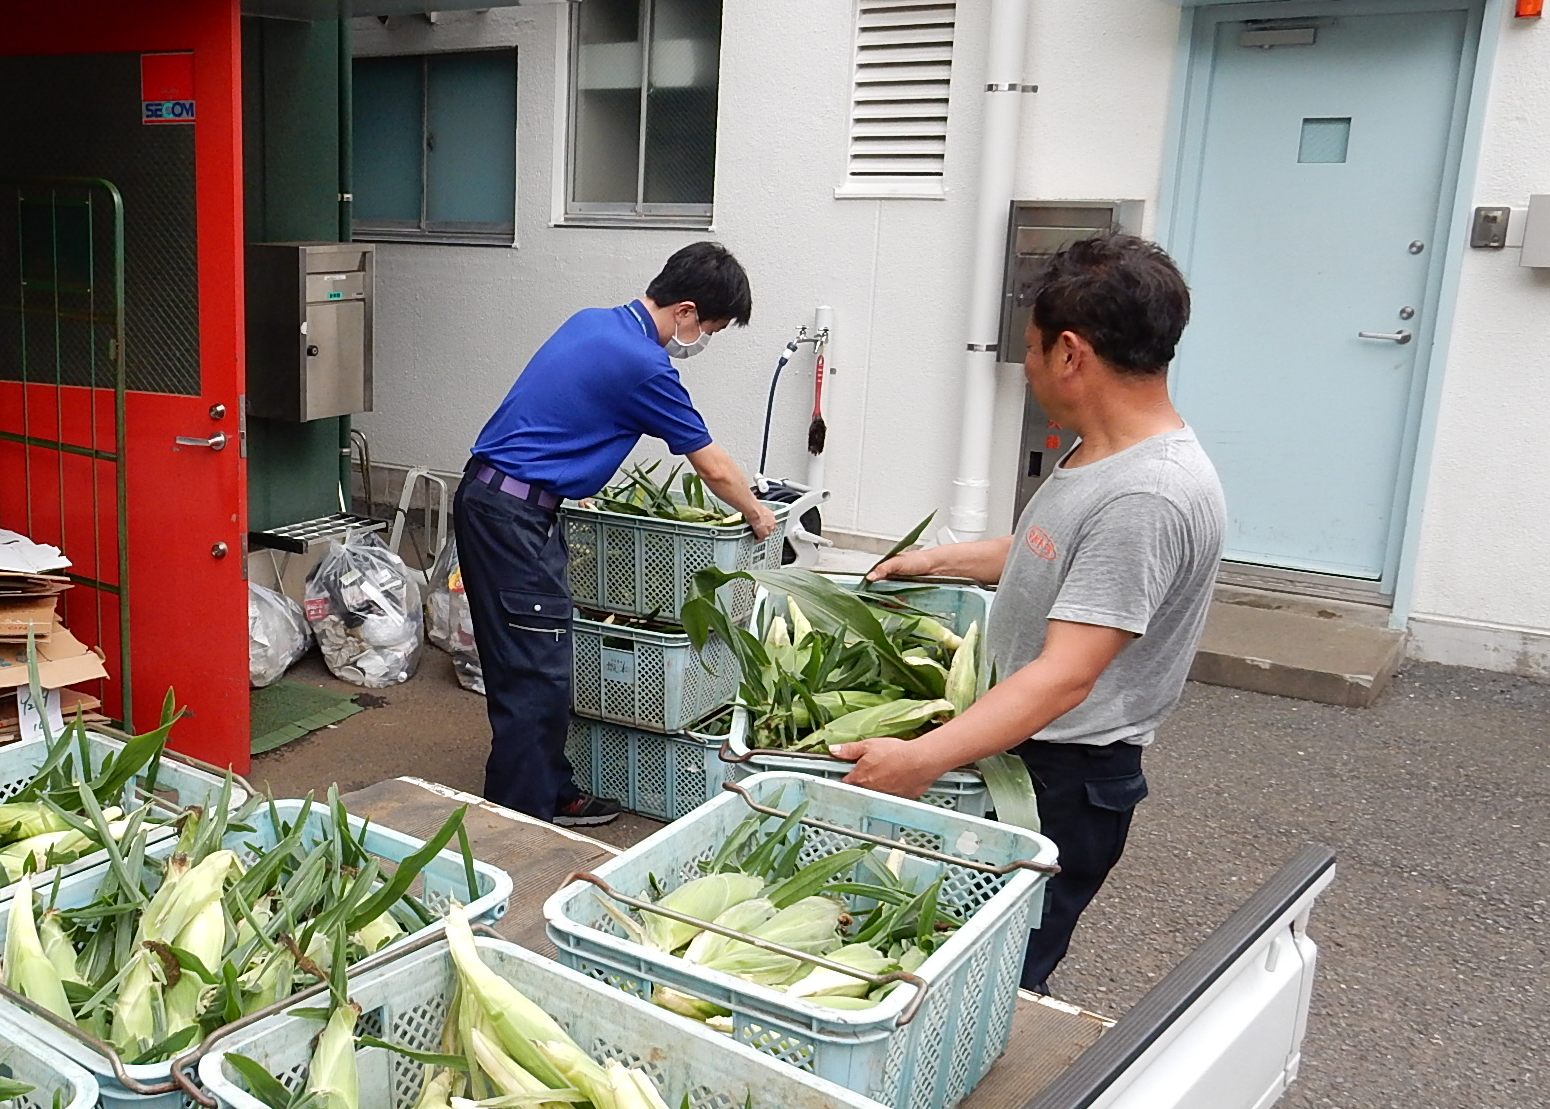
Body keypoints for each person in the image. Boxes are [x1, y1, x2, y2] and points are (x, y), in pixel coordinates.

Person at [830, 232, 1225, 994]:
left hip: (1063, 782)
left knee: (991, 979)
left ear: (1071, 353)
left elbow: (1063, 678)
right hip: (1023, 750)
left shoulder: (1147, 494)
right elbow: (1047, 550)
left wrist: (919, 760)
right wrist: (935, 560)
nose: (1030, 367)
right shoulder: (1100, 454)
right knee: (938, 956)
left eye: (1034, 350)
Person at [454, 242, 776, 828]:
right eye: (708, 326)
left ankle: (547, 789)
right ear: (683, 311)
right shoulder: (645, 366)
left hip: (495, 501)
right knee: (536, 670)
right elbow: (713, 467)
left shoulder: (592, 322)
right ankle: (519, 819)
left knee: (528, 659)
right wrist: (758, 514)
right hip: (513, 517)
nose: (703, 340)